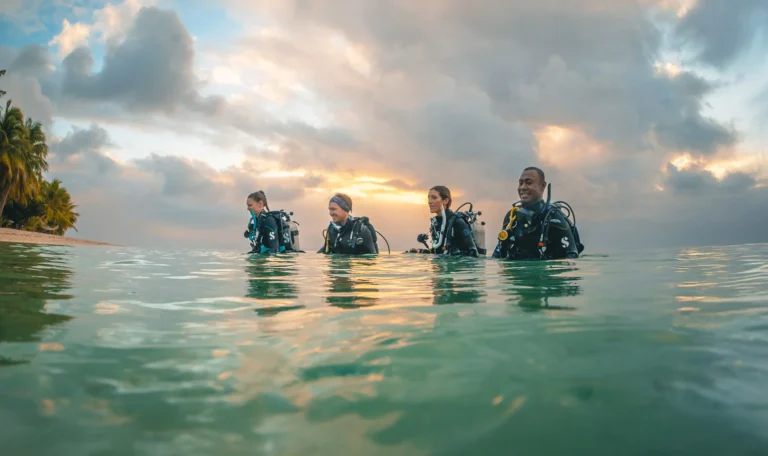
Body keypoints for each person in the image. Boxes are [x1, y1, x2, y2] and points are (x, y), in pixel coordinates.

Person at [492, 167, 584, 260]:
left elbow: (572, 257)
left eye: (528, 183)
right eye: (520, 183)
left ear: (542, 186)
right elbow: (497, 255)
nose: (523, 187)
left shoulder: (553, 218)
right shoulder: (512, 217)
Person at [409, 185, 480, 257]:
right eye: (429, 198)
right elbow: (437, 251)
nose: (430, 201)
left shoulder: (457, 222)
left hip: (457, 267)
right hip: (443, 266)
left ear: (446, 201)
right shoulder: (436, 224)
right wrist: (420, 251)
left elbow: (473, 252)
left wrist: (453, 258)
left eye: (434, 198)